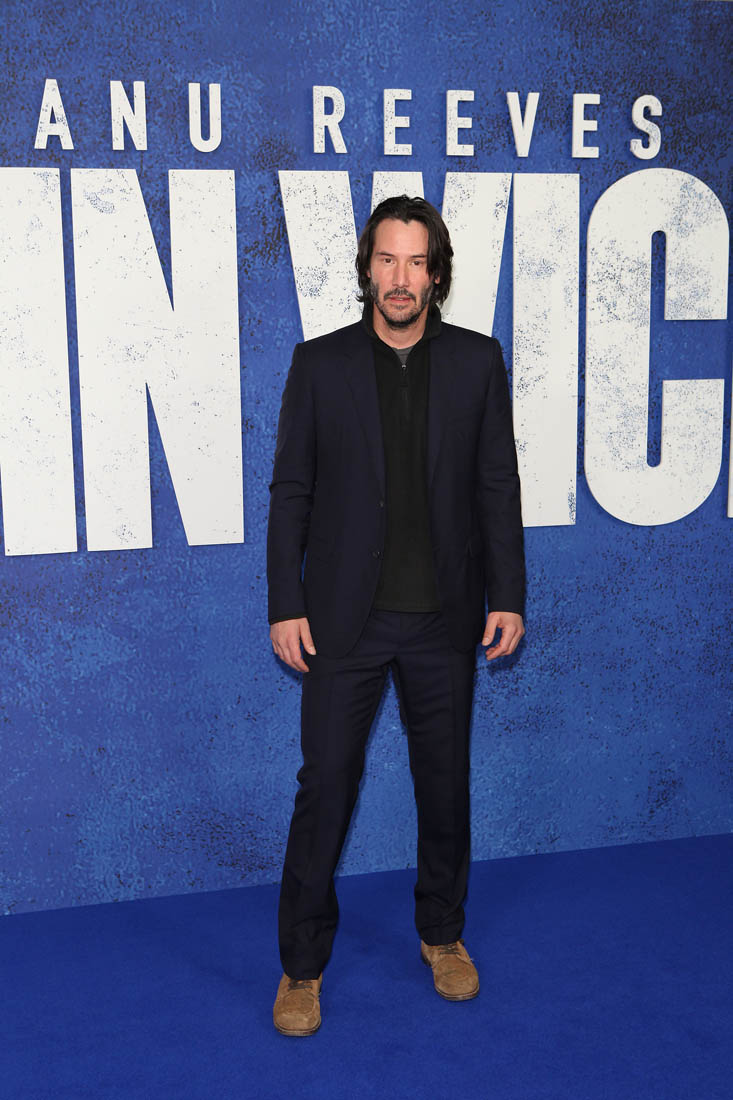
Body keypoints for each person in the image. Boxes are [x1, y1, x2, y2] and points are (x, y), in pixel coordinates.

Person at [267, 195, 525, 1036]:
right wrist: (285, 602)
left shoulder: (477, 362)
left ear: (436, 274)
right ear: (366, 270)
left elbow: (496, 485)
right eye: (387, 260)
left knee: (443, 785)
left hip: (444, 619)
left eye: (416, 262)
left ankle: (442, 935)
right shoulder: (319, 364)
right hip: (344, 619)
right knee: (326, 788)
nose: (400, 278)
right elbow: (291, 492)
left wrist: (507, 593)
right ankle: (301, 967)